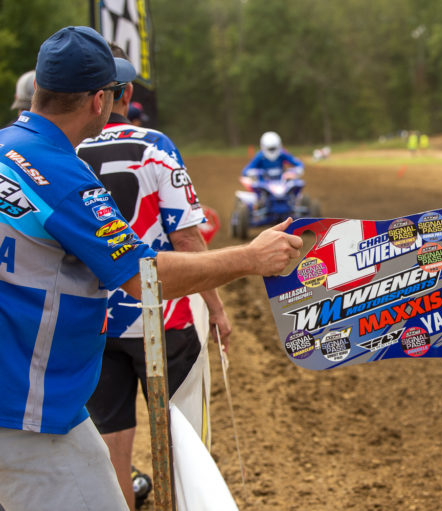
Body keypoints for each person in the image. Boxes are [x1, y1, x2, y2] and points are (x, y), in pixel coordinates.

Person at [0, 26, 301, 511]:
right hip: (30, 408)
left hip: (44, 392)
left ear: (37, 89)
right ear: (101, 99)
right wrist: (251, 257)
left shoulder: (5, 149)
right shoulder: (63, 177)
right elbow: (145, 276)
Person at [75, 43, 231, 511]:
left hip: (97, 320)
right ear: (124, 94)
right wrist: (217, 308)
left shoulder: (70, 151)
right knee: (183, 441)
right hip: (162, 316)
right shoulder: (155, 146)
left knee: (111, 447)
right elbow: (188, 241)